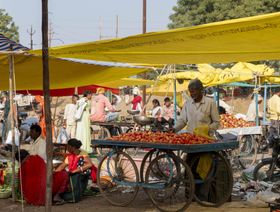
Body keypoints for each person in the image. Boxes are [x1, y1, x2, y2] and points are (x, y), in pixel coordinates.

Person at [55, 139, 97, 203]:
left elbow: (89, 164)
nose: (67, 148)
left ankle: (71, 196)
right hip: (74, 174)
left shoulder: (83, 153)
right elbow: (62, 166)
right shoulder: (70, 156)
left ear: (73, 147)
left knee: (71, 176)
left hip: (82, 175)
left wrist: (75, 171)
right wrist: (55, 172)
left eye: (68, 147)